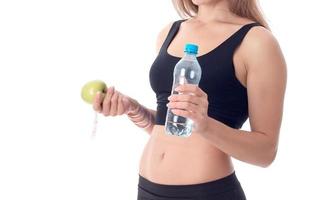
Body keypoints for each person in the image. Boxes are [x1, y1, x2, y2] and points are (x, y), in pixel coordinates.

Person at [93, 0, 287, 199]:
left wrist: (205, 125)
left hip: (205, 193)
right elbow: (174, 128)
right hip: (147, 191)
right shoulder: (170, 32)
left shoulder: (257, 42)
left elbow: (265, 153)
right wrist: (133, 109)